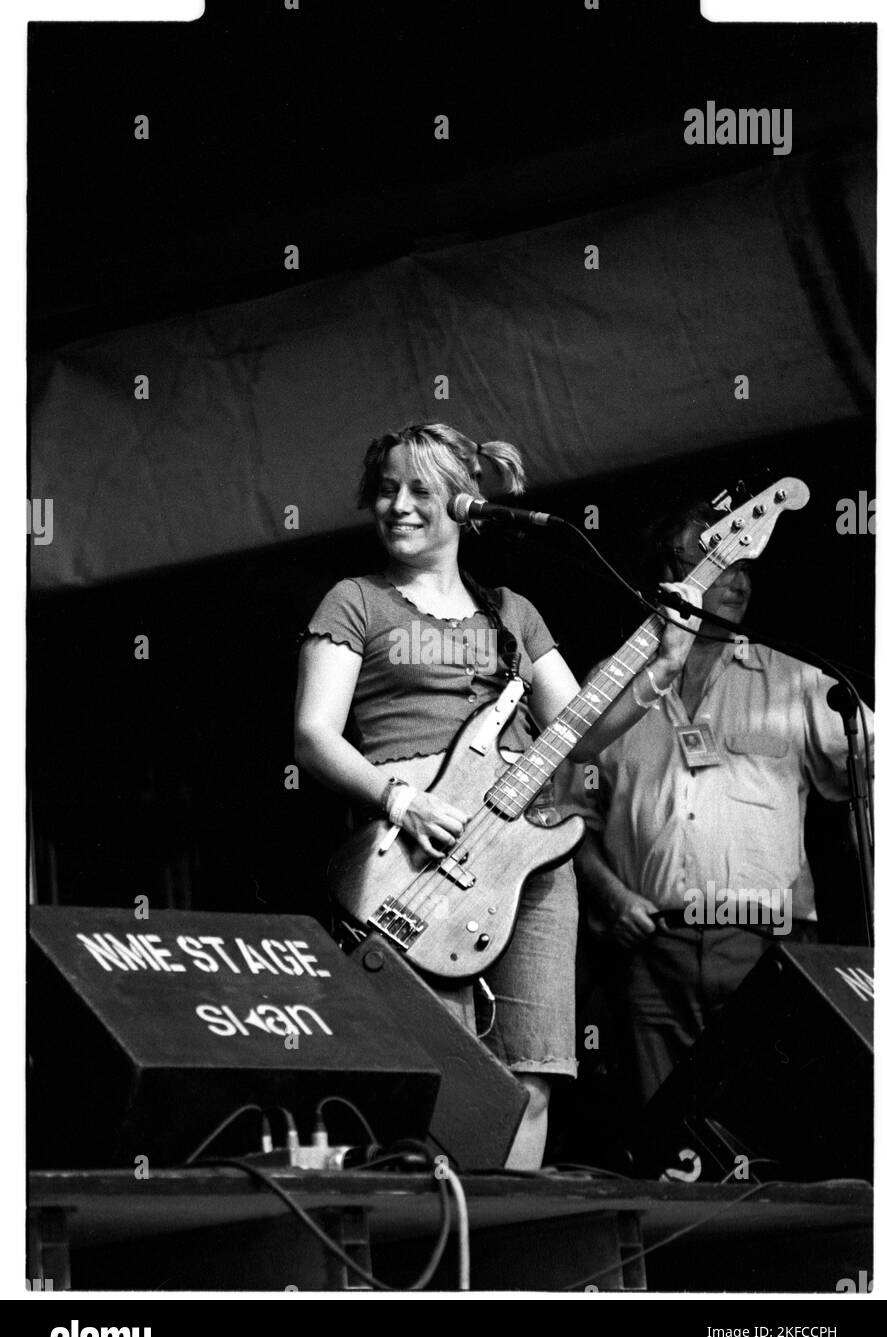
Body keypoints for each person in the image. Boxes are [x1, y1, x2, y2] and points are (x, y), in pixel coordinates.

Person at [293, 421, 697, 1168]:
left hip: (521, 854)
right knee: (443, 1069)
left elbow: (575, 729)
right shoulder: (355, 600)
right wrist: (400, 801)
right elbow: (314, 737)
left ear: (462, 503)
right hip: (413, 855)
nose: (399, 505)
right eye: (386, 490)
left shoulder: (512, 612)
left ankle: (502, 1251)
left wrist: (663, 662)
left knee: (531, 1072)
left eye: (420, 489)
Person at [571, 498, 872, 1112]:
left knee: (769, 1123)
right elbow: (565, 817)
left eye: (745, 565)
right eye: (716, 559)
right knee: (662, 1126)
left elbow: (871, 767)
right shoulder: (609, 683)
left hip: (768, 946)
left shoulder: (797, 681)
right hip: (652, 950)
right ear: (670, 574)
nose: (736, 577)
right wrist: (612, 897)